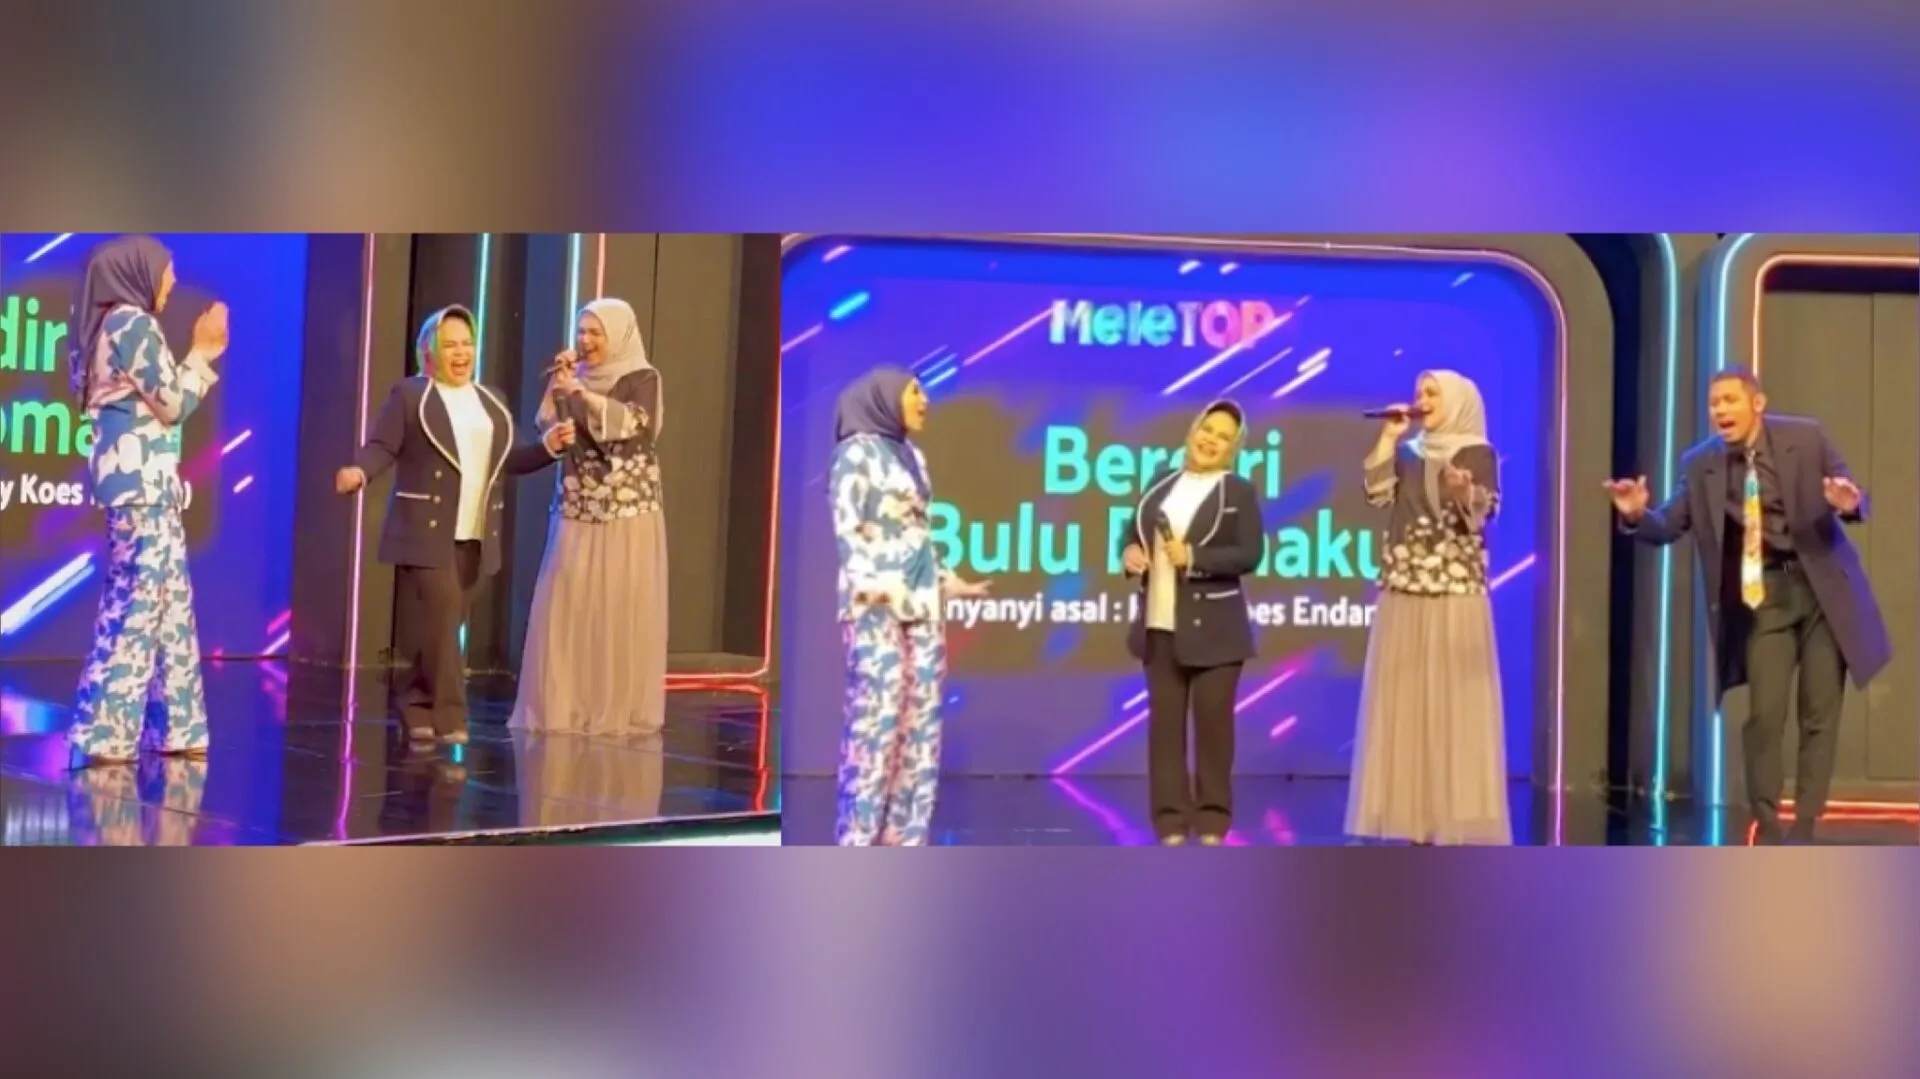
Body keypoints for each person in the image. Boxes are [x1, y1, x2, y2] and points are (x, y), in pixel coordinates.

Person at [1607, 366, 1888, 843]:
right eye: (1714, 403)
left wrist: (1847, 502)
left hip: (1822, 590)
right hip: (1766, 596)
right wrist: (1636, 515)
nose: (1720, 410)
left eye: (1729, 400)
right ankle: (1769, 822)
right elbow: (1669, 524)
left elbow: (1855, 498)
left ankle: (1806, 823)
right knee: (1764, 715)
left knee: (1819, 711)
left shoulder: (1806, 437)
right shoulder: (1701, 464)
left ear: (1757, 403)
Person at [335, 305, 574, 747]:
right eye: (451, 345)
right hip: (425, 531)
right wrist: (360, 472)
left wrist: (548, 447)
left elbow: (511, 458)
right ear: (429, 351)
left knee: (441, 628)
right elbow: (383, 446)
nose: (462, 353)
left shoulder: (491, 400)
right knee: (443, 620)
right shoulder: (411, 395)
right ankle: (451, 716)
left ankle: (414, 702)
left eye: (467, 344)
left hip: (476, 535)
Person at [67, 235, 229, 765]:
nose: (173, 281)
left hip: (148, 487)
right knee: (136, 606)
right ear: (137, 273)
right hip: (142, 490)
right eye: (167, 271)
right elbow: (172, 404)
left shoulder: (107, 324)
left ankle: (178, 726)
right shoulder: (131, 323)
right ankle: (103, 732)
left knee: (170, 607)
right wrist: (202, 353)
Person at [1347, 369, 1511, 846]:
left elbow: (1484, 511)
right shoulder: (1407, 452)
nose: (1423, 399)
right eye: (1420, 392)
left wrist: (1463, 491)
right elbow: (1378, 494)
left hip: (1456, 590)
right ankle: (1413, 818)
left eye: (1433, 393)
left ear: (1458, 400)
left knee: (1454, 704)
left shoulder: (1478, 452)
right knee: (1408, 704)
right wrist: (1388, 437)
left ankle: (1455, 817)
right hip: (1405, 588)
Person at [829, 367, 989, 845]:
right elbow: (847, 531)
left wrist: (947, 581)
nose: (925, 400)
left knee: (920, 728)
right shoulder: (854, 453)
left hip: (923, 607)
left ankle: (905, 838)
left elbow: (918, 532)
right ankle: (857, 841)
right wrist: (880, 587)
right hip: (875, 607)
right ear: (885, 396)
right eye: (914, 391)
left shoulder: (913, 456)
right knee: (875, 728)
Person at [510, 298, 668, 737]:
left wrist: (582, 394)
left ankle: (612, 706)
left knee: (615, 605)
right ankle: (569, 703)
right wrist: (559, 389)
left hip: (625, 508)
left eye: (596, 332)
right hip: (578, 502)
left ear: (618, 335)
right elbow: (545, 421)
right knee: (571, 602)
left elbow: (632, 423)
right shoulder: (574, 377)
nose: (586, 340)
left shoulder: (643, 377)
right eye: (582, 331)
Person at [1118, 399, 1268, 846]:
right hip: (1159, 626)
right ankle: (1169, 821)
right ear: (1193, 430)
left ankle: (1212, 820)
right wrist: (1129, 552)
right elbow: (1133, 529)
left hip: (1217, 631)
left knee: (1213, 730)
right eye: (1208, 430)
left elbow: (1250, 554)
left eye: (1223, 438)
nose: (1211, 441)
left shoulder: (1237, 491)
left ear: (1233, 449)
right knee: (1165, 731)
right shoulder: (1161, 482)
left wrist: (1195, 557)